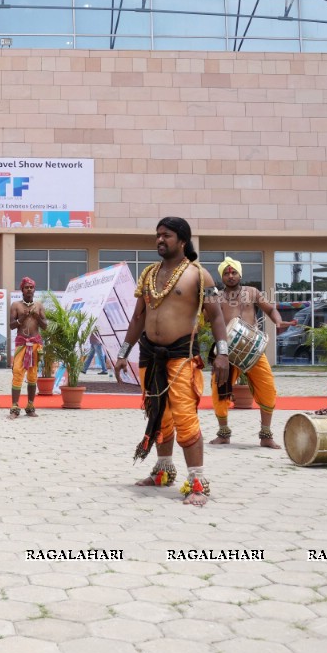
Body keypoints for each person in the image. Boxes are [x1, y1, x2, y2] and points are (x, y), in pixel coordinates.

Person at [113, 217, 230, 507]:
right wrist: (123, 352)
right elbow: (138, 317)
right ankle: (163, 471)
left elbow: (215, 317)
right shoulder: (149, 274)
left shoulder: (199, 275)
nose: (159, 240)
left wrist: (223, 352)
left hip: (180, 355)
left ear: (182, 240)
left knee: (185, 417)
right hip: (149, 355)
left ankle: (197, 481)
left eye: (165, 235)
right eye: (157, 235)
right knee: (158, 415)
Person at [208, 257, 291, 449]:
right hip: (226, 351)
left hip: (253, 349)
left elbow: (270, 309)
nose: (230, 276)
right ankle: (223, 434)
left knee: (268, 387)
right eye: (226, 273)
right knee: (218, 390)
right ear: (222, 276)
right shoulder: (216, 297)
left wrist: (278, 321)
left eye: (233, 272)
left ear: (240, 274)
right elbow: (209, 319)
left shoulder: (252, 292)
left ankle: (266, 435)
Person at [8, 277, 47, 418]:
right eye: (26, 287)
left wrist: (37, 317)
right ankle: (14, 407)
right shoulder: (16, 305)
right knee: (17, 372)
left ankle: (30, 406)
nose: (29, 289)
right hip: (22, 343)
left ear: (34, 289)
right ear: (22, 290)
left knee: (33, 375)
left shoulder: (39, 306)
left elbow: (45, 326)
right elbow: (12, 326)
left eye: (31, 287)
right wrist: (22, 318)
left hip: (36, 343)